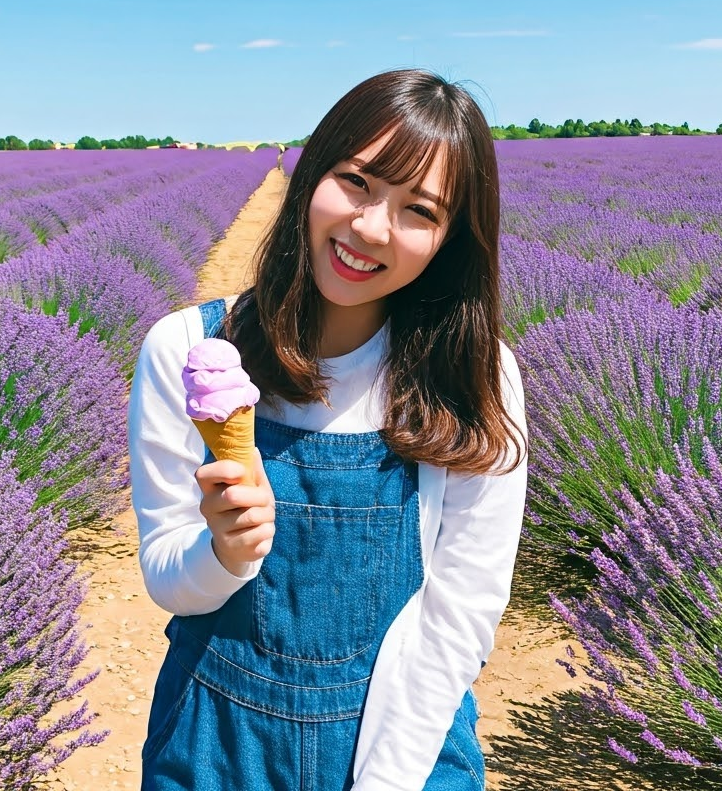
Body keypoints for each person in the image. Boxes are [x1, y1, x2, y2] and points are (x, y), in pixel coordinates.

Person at [128, 68, 529, 790]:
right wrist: (223, 551)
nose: (372, 228)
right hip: (216, 743)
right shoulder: (184, 347)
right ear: (310, 173)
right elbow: (166, 576)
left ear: (450, 241)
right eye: (358, 182)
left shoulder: (474, 374)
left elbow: (460, 613)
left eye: (420, 211)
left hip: (406, 741)